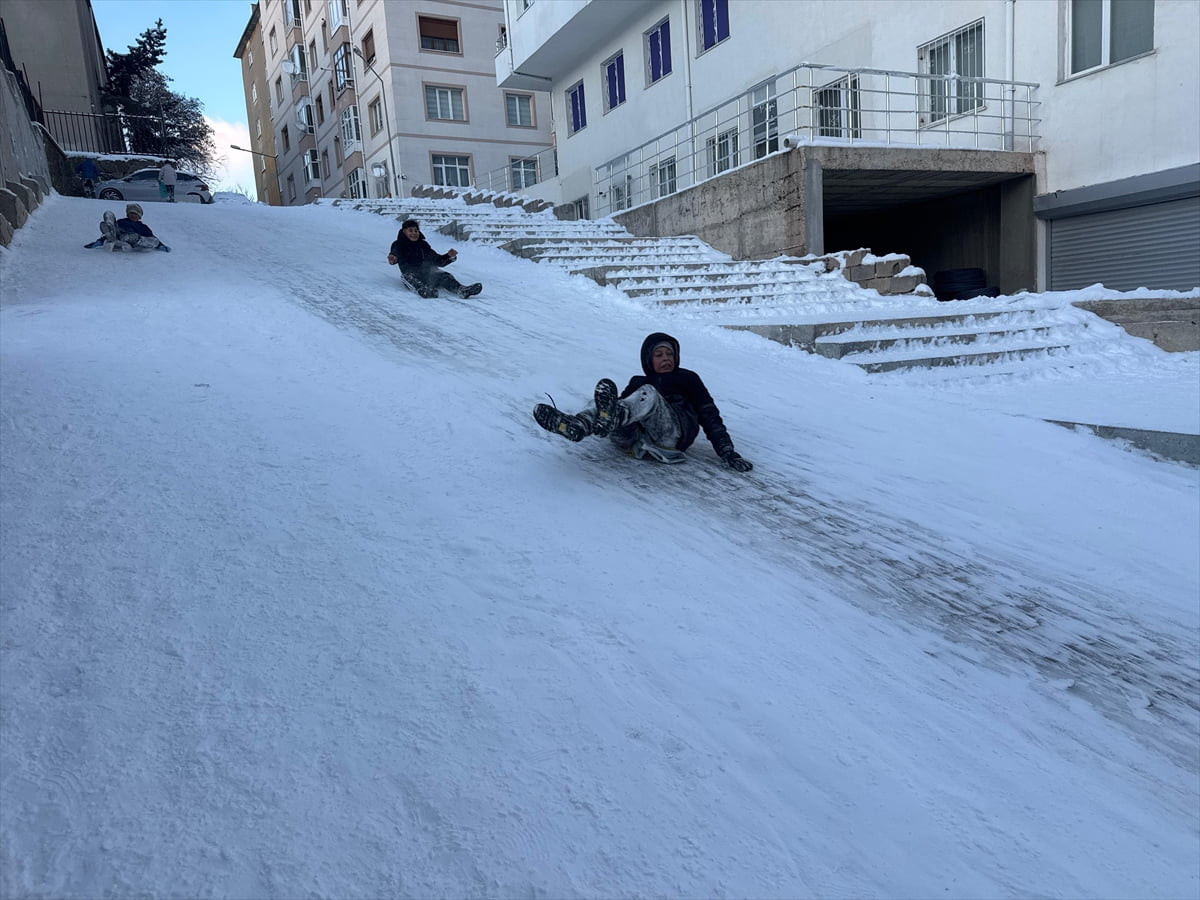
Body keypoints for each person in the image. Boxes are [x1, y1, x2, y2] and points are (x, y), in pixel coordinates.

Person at [532, 332, 754, 472]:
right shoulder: (637, 380)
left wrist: (727, 451)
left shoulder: (687, 377)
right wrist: (605, 411)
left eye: (669, 354)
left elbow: (709, 414)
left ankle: (609, 420)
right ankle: (577, 426)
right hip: (632, 441)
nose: (666, 358)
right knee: (604, 404)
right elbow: (619, 404)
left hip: (671, 436)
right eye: (659, 355)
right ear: (648, 359)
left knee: (645, 393)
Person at [387, 219, 482, 299]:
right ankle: (423, 291)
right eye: (410, 231)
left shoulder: (423, 245)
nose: (414, 233)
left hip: (428, 274)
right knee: (408, 277)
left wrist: (449, 256)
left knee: (444, 275)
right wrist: (393, 258)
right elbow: (395, 253)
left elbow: (437, 260)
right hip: (411, 274)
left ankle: (461, 290)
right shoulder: (399, 244)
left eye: (416, 231)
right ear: (404, 232)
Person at [84, 204, 171, 252]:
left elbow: (153, 237)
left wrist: (161, 245)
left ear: (139, 216)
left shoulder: (143, 227)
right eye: (131, 214)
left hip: (134, 242)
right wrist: (99, 241)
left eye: (135, 214)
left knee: (150, 240)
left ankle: (129, 237)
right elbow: (113, 230)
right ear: (128, 214)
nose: (133, 215)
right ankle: (110, 232)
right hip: (118, 237)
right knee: (110, 217)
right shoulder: (122, 222)